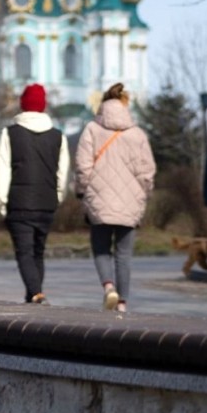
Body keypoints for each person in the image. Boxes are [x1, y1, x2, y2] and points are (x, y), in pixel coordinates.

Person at [75, 83, 156, 314]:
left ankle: (109, 287)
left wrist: (82, 190)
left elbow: (83, 166)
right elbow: (147, 171)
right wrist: (144, 195)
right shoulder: (138, 134)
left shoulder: (91, 129)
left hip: (99, 200)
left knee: (101, 249)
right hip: (130, 203)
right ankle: (122, 303)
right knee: (124, 254)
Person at [0, 83, 70, 305]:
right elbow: (62, 172)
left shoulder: (10, 133)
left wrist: (1, 202)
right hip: (46, 202)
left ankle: (36, 293)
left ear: (23, 105)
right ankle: (33, 296)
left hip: (19, 203)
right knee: (38, 251)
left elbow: (3, 168)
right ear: (43, 106)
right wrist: (57, 196)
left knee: (24, 252)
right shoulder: (58, 136)